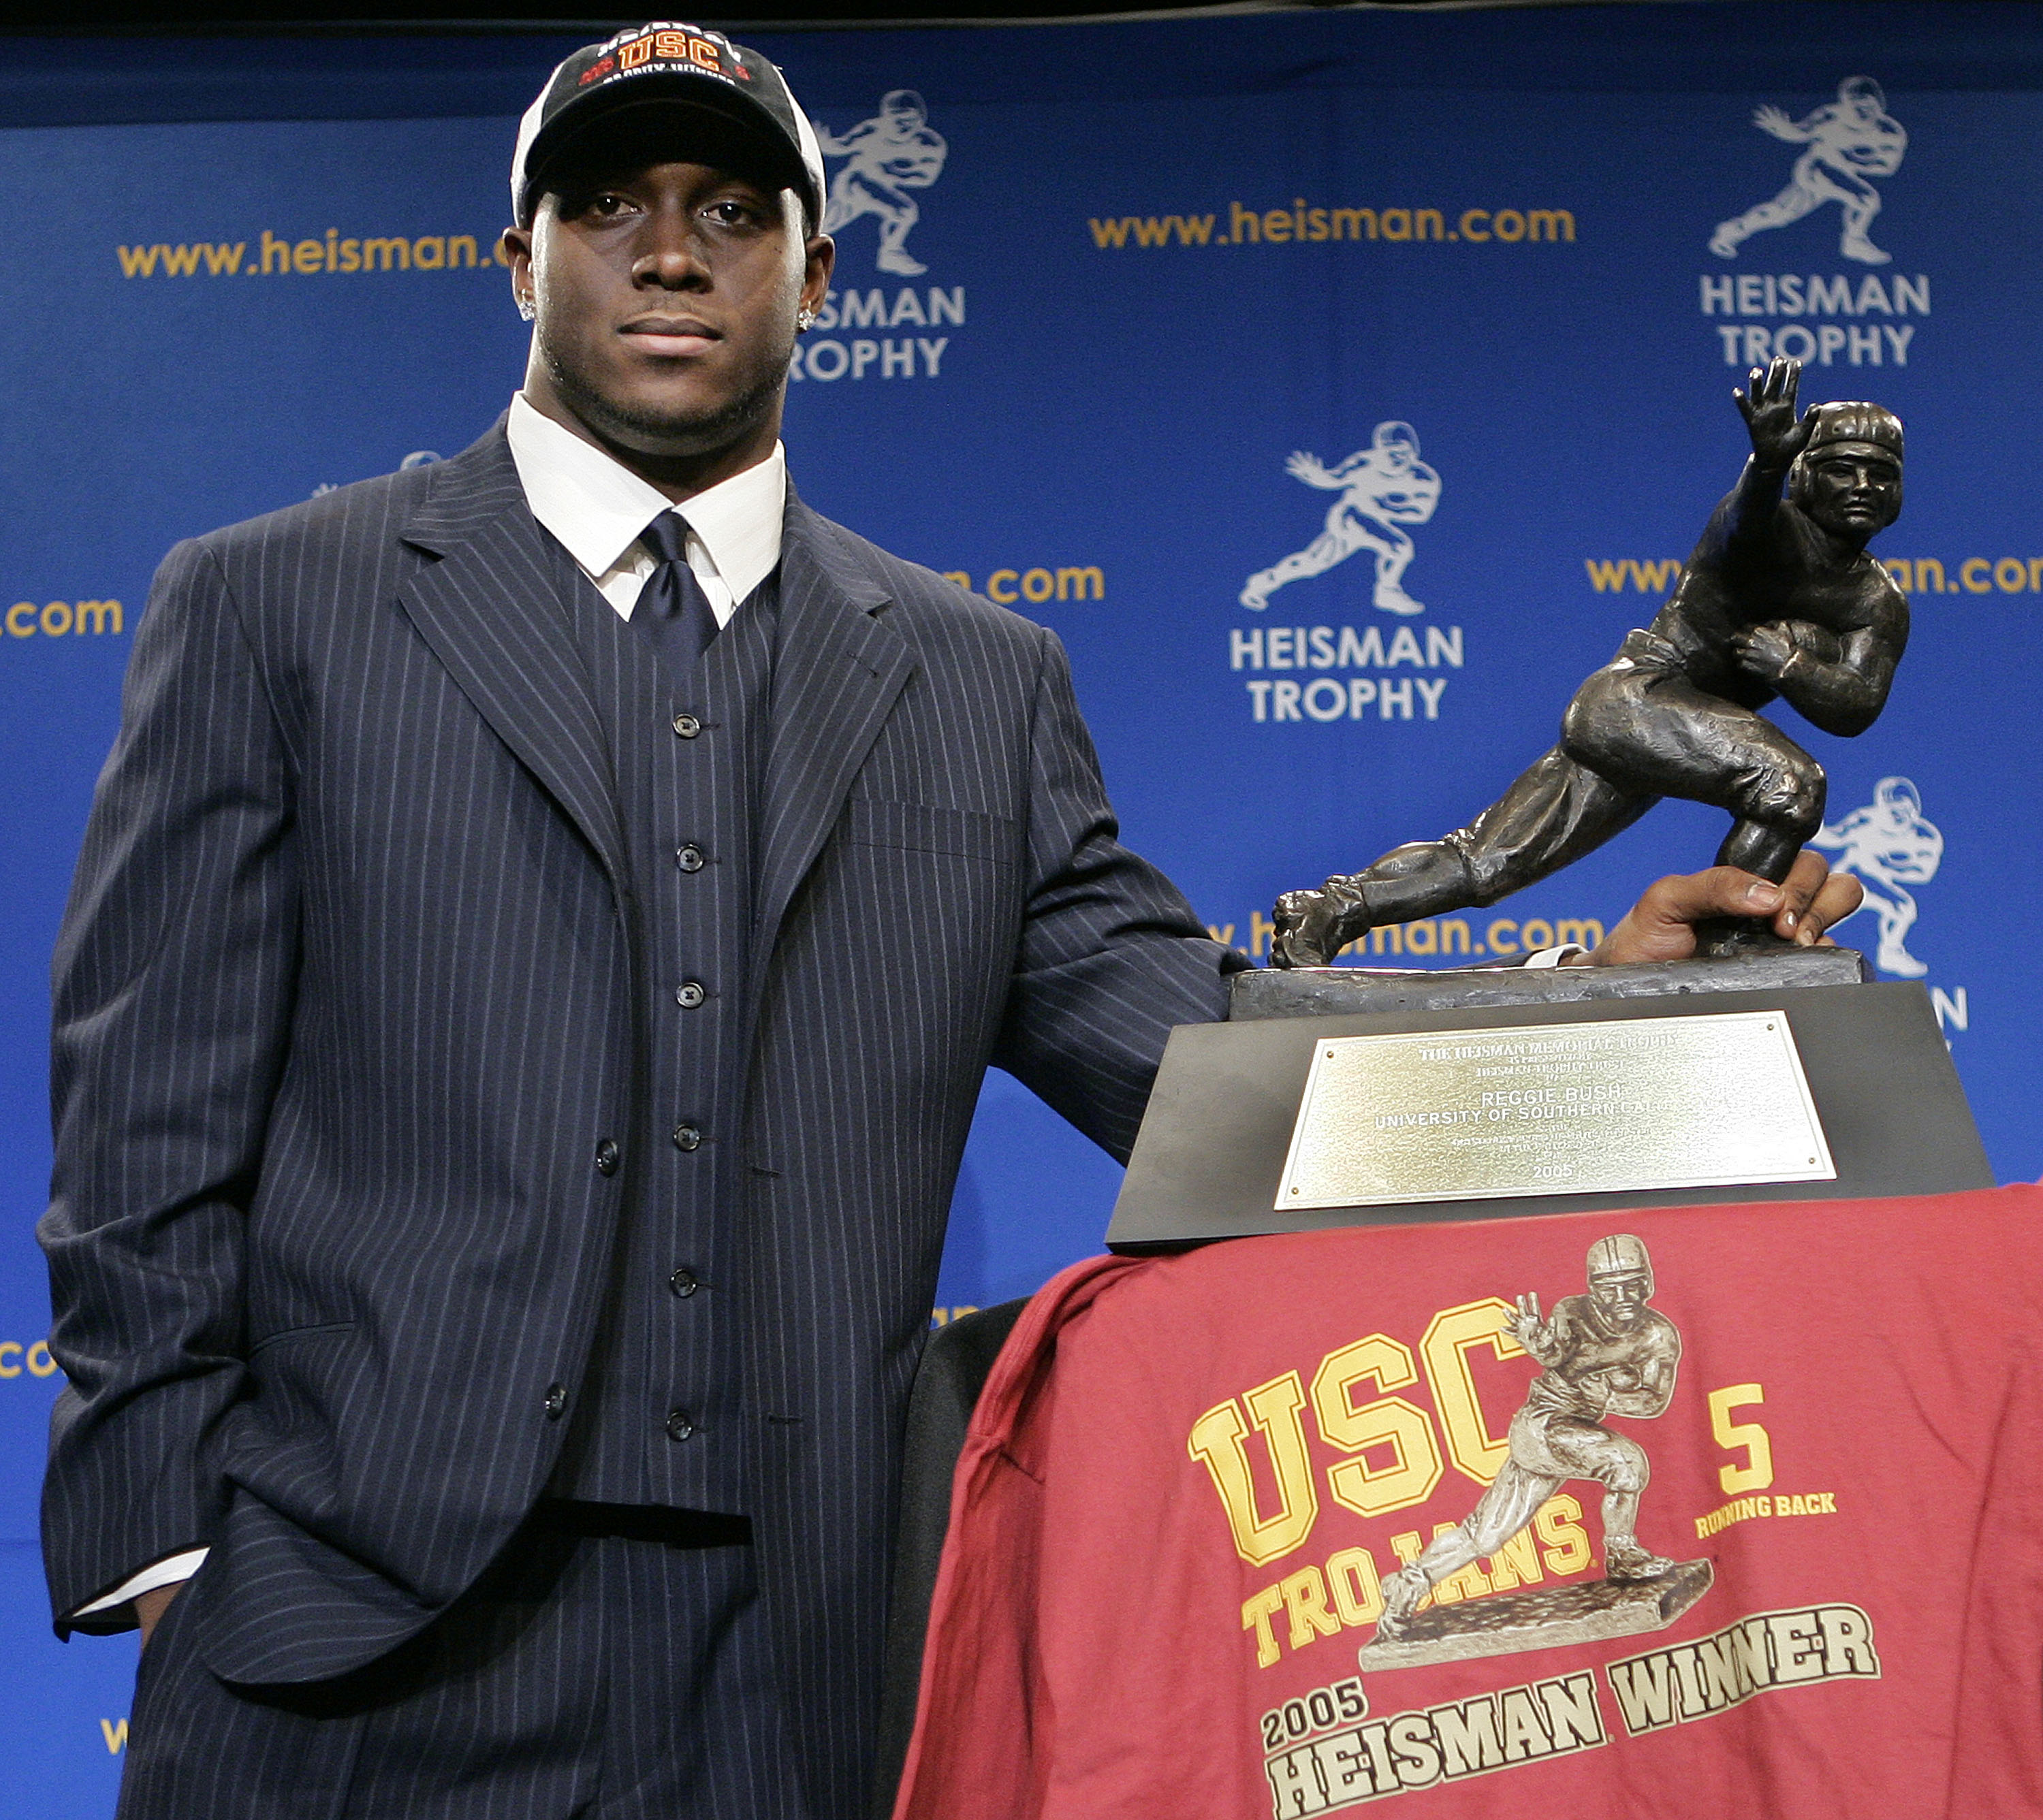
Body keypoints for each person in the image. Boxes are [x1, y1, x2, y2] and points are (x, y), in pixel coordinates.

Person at [39, 23, 1866, 1819]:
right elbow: (146, 1131)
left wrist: (1591, 1009)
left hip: (802, 1670)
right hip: (343, 1640)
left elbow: (1216, 1076)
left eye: (734, 209)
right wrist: (167, 1548)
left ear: (819, 273)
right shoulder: (281, 608)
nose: (673, 251)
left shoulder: (978, 684)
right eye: (611, 205)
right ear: (520, 262)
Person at [1271, 357, 1902, 966]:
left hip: (1681, 730)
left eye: (1882, 474)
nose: (1865, 488)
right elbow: (1745, 524)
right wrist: (1766, 463)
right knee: (1789, 783)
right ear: (1805, 475)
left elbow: (1855, 707)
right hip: (1636, 699)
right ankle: (1727, 945)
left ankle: (1330, 908)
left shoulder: (1877, 600)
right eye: (1844, 469)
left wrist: (1790, 664)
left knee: (1490, 861)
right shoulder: (1770, 532)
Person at [1375, 1234, 1681, 1640]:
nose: (1623, 1297)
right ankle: (1621, 1550)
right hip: (1543, 1424)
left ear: (1648, 1283)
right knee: (1626, 1462)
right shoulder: (1574, 1311)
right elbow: (1559, 1356)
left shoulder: (1658, 1334)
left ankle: (1407, 1584)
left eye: (1633, 1284)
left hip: (1573, 1430)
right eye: (1610, 1288)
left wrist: (1606, 1393)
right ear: (1594, 1290)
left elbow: (1654, 1401)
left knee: (1484, 1536)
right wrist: (1542, 1347)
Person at [1239, 422, 1440, 617]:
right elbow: (1333, 480)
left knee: (1312, 563)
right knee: (1398, 547)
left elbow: (1421, 514)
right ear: (1379, 451)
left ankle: (1263, 583)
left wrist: (1383, 509)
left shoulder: (1424, 479)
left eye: (1403, 451)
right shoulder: (1364, 464)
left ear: (1414, 451)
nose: (1397, 457)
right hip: (1349, 517)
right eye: (1390, 451)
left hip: (1375, 522)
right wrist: (1314, 476)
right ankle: (1387, 592)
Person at [1709, 76, 1907, 266]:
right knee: (1866, 199)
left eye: (1867, 104)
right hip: (1816, 169)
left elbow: (1887, 168)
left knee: (1781, 213)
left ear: (1879, 104)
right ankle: (1854, 242)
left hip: (1843, 175)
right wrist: (1781, 129)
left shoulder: (1891, 133)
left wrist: (1853, 163)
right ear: (1845, 104)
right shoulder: (1830, 116)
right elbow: (1800, 133)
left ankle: (1733, 231)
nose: (1862, 110)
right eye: (1855, 104)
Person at [1813, 775, 1942, 977]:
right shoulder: (1866, 820)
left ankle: (1891, 953)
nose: (1898, 814)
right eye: (1892, 808)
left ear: (1914, 809)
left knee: (1902, 908)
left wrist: (1886, 866)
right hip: (1850, 876)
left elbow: (1923, 873)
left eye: (1904, 809)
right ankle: (1799, 945)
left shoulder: (1925, 837)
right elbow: (1833, 837)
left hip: (1879, 880)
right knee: (1821, 915)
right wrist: (1812, 818)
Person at [816, 90, 947, 277]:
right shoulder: (872, 131)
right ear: (885, 118)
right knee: (902, 211)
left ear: (921, 119)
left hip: (881, 187)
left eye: (910, 119)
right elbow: (840, 147)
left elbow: (927, 177)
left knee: (902, 212)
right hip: (855, 183)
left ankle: (891, 253)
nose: (904, 125)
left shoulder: (930, 145)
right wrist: (822, 139)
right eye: (897, 119)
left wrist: (890, 173)